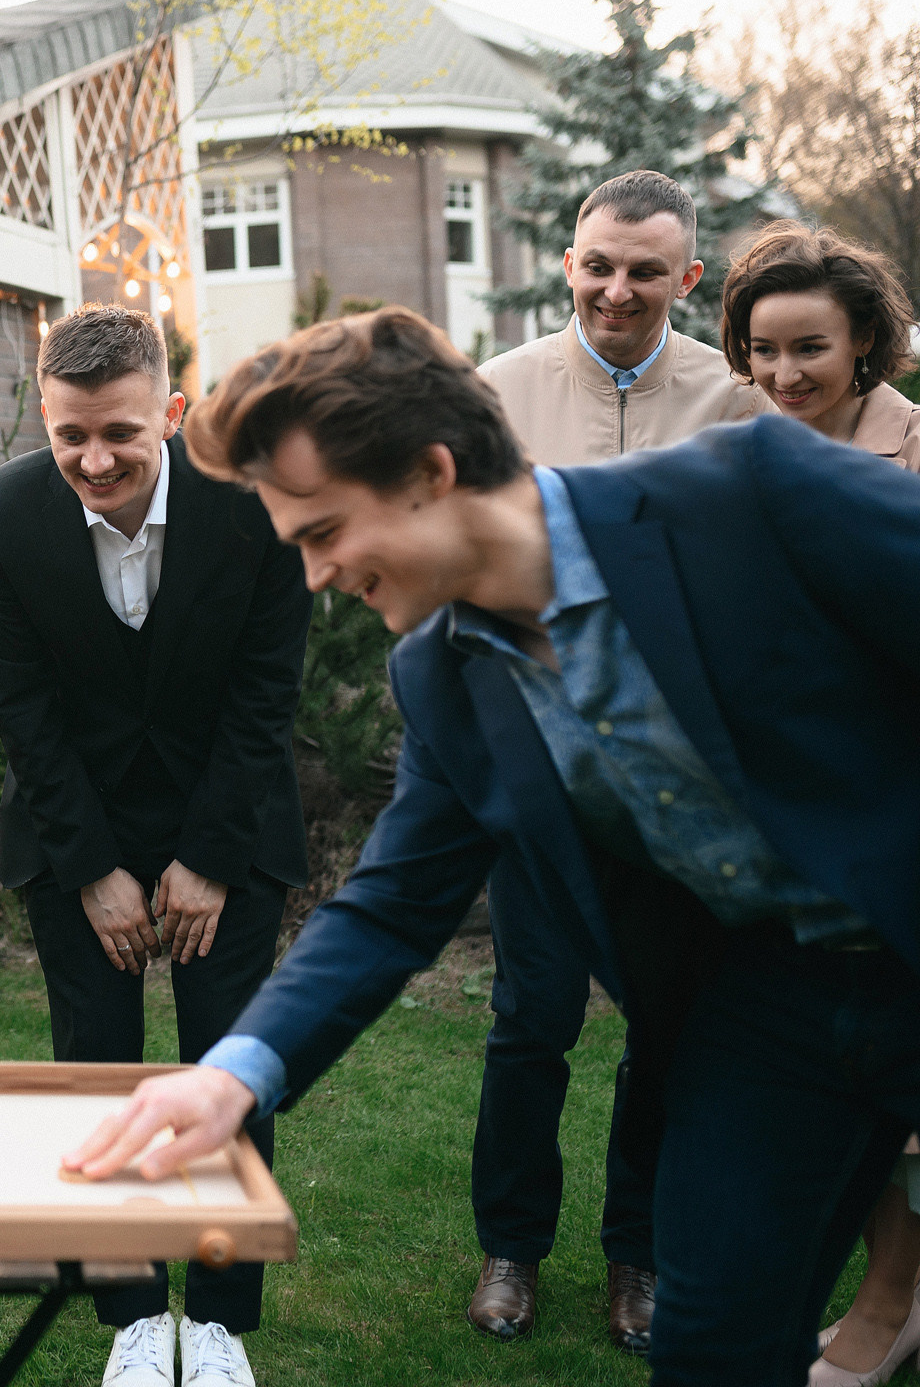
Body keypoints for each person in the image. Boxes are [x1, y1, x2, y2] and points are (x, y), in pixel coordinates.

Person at [67, 304, 920, 1387]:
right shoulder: (441, 676)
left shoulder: (748, 493)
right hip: (762, 1016)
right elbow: (388, 902)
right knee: (711, 1352)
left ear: (429, 472)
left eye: (324, 534)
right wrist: (233, 1076)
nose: (315, 576)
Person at [0, 304, 310, 1387]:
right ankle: (128, 1313)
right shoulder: (5, 513)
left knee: (227, 1069)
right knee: (97, 1073)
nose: (93, 457)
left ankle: (213, 1321)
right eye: (70, 435)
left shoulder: (251, 502)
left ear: (169, 409)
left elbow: (266, 694)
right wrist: (91, 871)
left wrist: (208, 856)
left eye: (119, 431)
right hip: (79, 834)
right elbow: (22, 710)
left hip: (230, 821)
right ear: (44, 417)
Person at [464, 169, 767, 1352]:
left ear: (686, 279)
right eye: (599, 264)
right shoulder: (497, 394)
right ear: (569, 264)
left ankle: (636, 1256)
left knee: (664, 1031)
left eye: (646, 270)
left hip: (679, 786)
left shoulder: (737, 400)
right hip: (537, 770)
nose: (617, 288)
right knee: (529, 1021)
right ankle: (510, 1249)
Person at [719, 220, 920, 1387]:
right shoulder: (741, 457)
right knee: (836, 1076)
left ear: (863, 347)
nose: (785, 374)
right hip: (794, 812)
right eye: (763, 349)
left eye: (810, 348)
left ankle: (888, 1308)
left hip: (903, 798)